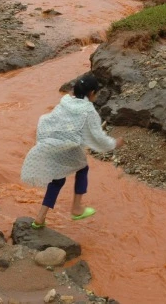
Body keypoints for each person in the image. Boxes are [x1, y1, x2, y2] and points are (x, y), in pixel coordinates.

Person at [21, 73, 124, 228]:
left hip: (51, 141)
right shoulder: (88, 111)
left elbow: (55, 120)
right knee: (83, 168)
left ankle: (40, 218)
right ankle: (76, 208)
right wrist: (113, 144)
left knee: (57, 179)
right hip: (66, 146)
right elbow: (97, 137)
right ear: (91, 93)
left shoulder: (66, 101)